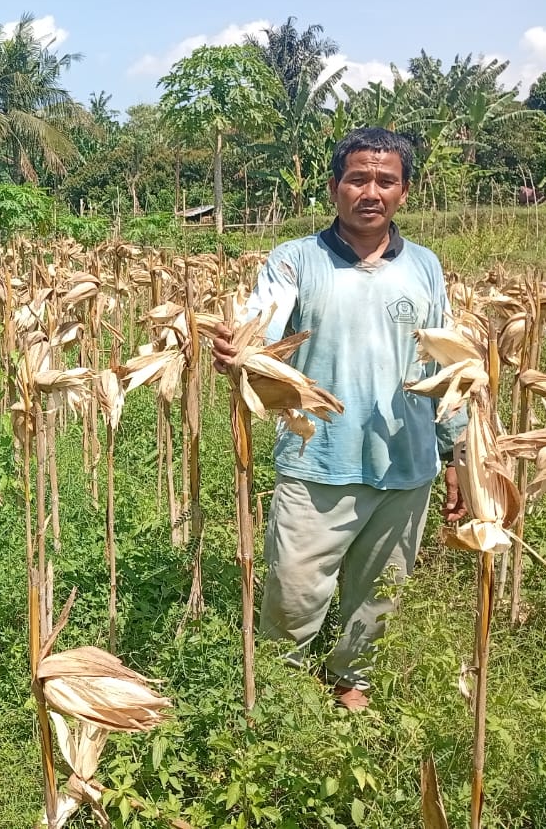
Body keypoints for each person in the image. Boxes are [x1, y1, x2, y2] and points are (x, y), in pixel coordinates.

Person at [211, 127, 466, 712]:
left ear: (405, 190)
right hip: (318, 457)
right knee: (295, 590)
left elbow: (448, 365)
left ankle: (354, 679)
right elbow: (263, 324)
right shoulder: (295, 259)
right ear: (334, 187)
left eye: (385, 180)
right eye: (357, 179)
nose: (370, 191)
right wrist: (241, 349)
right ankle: (283, 684)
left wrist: (457, 456)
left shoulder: (426, 267)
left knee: (380, 592)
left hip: (407, 462)